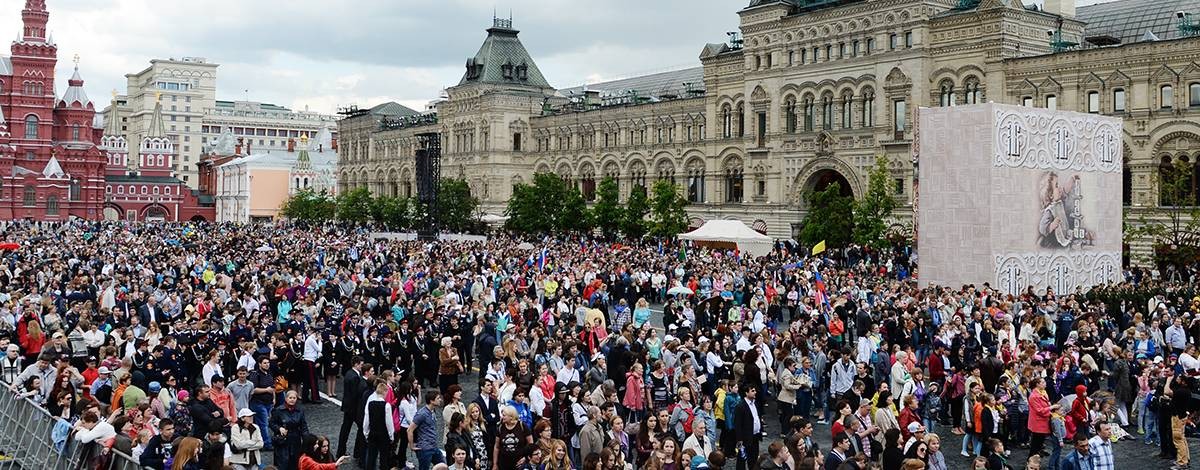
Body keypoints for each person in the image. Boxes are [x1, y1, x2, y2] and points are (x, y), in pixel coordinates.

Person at [337, 355, 368, 458]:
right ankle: (357, 451)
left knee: (345, 429)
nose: (362, 367)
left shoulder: (349, 373)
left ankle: (341, 451)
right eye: (361, 364)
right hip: (353, 408)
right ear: (356, 364)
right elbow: (355, 394)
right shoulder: (355, 376)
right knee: (360, 428)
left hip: (348, 407)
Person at [270, 390, 309, 470]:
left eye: (294, 398)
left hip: (295, 441)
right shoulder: (278, 410)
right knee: (282, 464)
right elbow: (271, 423)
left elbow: (303, 426)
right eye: (290, 397)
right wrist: (279, 428)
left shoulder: (300, 411)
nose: (292, 399)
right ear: (286, 398)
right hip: (282, 441)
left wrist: (307, 440)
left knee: (294, 464)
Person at [411, 390, 446, 470]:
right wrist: (411, 445)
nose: (440, 400)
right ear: (431, 401)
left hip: (433, 446)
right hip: (425, 448)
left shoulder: (432, 411)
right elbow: (410, 429)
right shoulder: (422, 414)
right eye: (438, 398)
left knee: (443, 466)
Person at [363, 381, 395, 470]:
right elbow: (389, 423)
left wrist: (366, 433)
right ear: (384, 391)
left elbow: (366, 420)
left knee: (371, 457)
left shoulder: (370, 404)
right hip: (383, 435)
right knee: (383, 458)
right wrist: (391, 435)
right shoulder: (386, 406)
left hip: (372, 433)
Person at [734, 384, 763, 470]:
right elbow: (737, 424)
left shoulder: (755, 403)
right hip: (745, 437)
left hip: (755, 435)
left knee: (754, 457)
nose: (755, 392)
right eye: (752, 391)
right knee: (742, 458)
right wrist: (739, 439)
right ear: (746, 393)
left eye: (755, 390)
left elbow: (757, 417)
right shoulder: (740, 406)